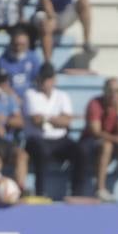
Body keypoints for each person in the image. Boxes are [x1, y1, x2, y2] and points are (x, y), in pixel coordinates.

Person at [23, 63, 77, 198]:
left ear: (54, 80)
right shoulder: (30, 94)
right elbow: (36, 121)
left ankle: (77, 193)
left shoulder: (62, 96)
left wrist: (46, 118)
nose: (44, 82)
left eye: (47, 79)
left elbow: (67, 121)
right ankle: (40, 192)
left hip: (59, 139)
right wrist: (57, 120)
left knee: (80, 151)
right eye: (42, 78)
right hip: (37, 138)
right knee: (41, 151)